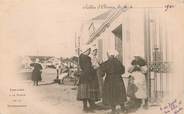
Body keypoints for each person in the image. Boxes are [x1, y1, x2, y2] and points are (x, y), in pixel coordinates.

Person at [99, 49, 127, 114]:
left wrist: (101, 66)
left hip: (109, 80)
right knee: (119, 94)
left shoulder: (106, 63)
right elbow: (122, 71)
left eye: (107, 54)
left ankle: (113, 110)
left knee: (111, 94)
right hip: (118, 79)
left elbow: (101, 74)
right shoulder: (118, 62)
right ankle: (123, 109)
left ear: (109, 55)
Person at [77, 47, 99, 112]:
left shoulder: (80, 57)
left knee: (85, 93)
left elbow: (84, 67)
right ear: (86, 50)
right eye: (89, 50)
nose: (90, 52)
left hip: (83, 76)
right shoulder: (87, 58)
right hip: (88, 77)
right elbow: (88, 68)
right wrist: (95, 68)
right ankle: (86, 108)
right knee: (88, 92)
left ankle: (88, 106)